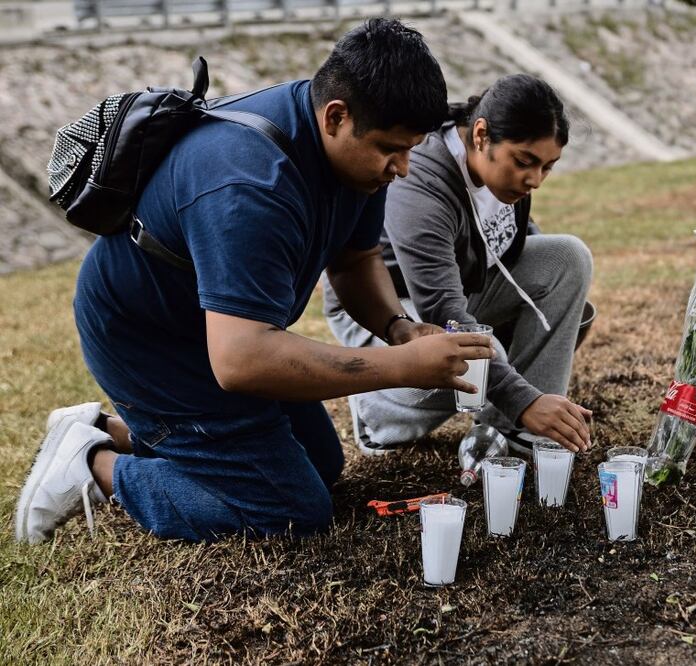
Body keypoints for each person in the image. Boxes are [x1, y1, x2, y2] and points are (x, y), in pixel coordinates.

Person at [14, 19, 495, 545]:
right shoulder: (250, 181)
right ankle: (92, 464)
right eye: (391, 150)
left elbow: (355, 263)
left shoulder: (358, 154)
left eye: (411, 149)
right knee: (288, 508)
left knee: (320, 462)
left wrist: (399, 328)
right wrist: (399, 367)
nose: (402, 168)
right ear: (336, 117)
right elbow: (242, 360)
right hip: (151, 343)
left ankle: (108, 429)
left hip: (212, 328)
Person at [323, 74, 594, 456]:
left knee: (569, 257)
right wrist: (523, 397)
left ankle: (515, 435)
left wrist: (539, 326)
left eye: (548, 167)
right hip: (388, 309)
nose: (535, 179)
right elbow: (443, 311)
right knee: (483, 354)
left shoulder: (504, 175)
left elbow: (514, 243)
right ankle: (380, 412)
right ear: (481, 135)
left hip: (468, 287)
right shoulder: (422, 179)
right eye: (525, 161)